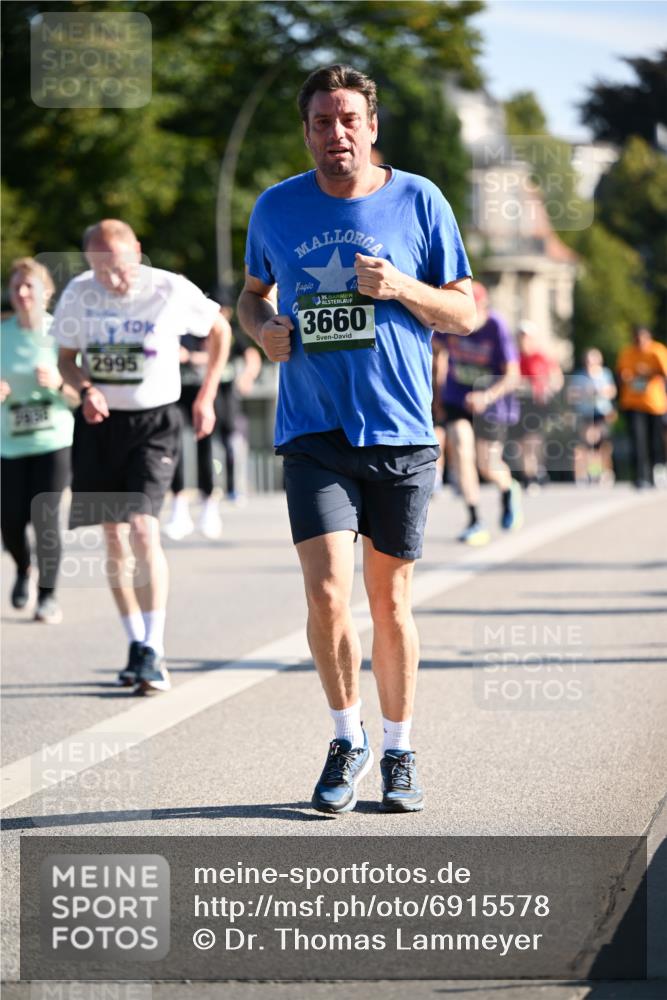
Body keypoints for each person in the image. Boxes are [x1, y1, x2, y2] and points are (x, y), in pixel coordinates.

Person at [238, 64, 475, 814]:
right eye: (319, 122)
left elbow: (463, 313)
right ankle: (348, 737)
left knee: (390, 599)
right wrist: (262, 331)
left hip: (401, 429)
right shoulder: (275, 206)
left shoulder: (419, 200)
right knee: (327, 591)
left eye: (346, 120)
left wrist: (400, 286)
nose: (334, 134)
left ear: (370, 126)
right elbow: (250, 296)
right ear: (305, 131)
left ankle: (399, 749)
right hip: (312, 429)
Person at [55, 219, 230, 692]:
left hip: (153, 423)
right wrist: (85, 388)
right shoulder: (78, 293)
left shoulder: (169, 288)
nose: (112, 280)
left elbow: (219, 329)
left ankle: (155, 648)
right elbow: (66, 359)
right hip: (99, 423)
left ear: (137, 250)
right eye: (101, 272)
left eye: (119, 268)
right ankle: (135, 643)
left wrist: (206, 394)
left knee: (142, 528)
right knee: (114, 538)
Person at [1, 257, 75, 624]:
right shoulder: (2, 334)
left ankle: (48, 596)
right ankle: (22, 566)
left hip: (53, 438)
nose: (23, 292)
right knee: (10, 521)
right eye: (17, 286)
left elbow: (83, 392)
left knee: (45, 518)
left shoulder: (62, 331)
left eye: (30, 285)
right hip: (9, 442)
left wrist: (60, 384)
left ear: (47, 293)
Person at [433, 281, 522, 545]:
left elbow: (513, 375)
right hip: (457, 398)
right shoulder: (452, 322)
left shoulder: (497, 327)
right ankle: (474, 519)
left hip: (492, 402)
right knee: (460, 447)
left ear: (484, 307)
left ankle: (508, 488)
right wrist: (437, 394)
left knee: (488, 464)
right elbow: (439, 354)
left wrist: (487, 395)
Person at [165, 312, 261, 540]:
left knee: (212, 447)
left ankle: (213, 501)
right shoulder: (183, 329)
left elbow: (248, 354)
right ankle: (179, 506)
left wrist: (247, 377)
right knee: (174, 446)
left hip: (214, 395)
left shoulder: (227, 331)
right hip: (181, 394)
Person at [616, 327, 667, 488]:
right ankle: (640, 476)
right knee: (638, 440)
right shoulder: (627, 353)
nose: (640, 343)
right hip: (633, 403)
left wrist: (649, 372)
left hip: (654, 403)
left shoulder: (657, 350)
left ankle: (654, 474)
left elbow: (664, 372)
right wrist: (628, 377)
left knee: (654, 440)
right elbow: (620, 373)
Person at [516, 320, 563, 492]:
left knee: (533, 440)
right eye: (521, 337)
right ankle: (530, 474)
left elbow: (557, 379)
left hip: (538, 405)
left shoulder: (542, 357)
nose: (524, 341)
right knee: (522, 443)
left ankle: (533, 474)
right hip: (520, 404)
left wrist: (548, 389)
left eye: (526, 337)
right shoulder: (515, 357)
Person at [567, 347, 617, 485]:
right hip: (585, 413)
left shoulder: (605, 374)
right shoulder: (579, 376)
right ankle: (587, 473)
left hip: (601, 412)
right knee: (587, 443)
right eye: (589, 360)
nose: (591, 363)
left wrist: (600, 392)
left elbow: (612, 391)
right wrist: (584, 393)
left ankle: (605, 473)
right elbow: (571, 395)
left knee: (603, 444)